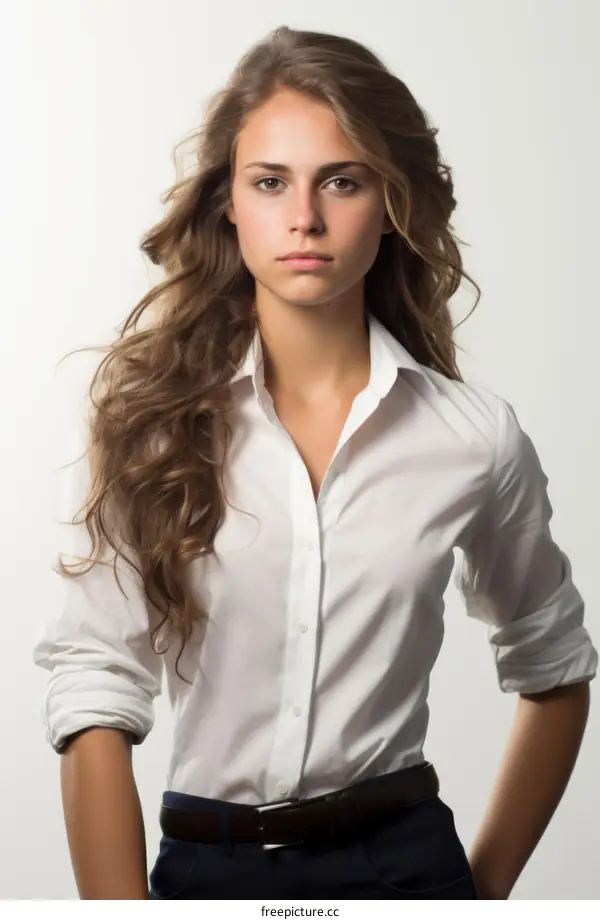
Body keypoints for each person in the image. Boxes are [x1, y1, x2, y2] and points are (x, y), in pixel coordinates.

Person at [33, 25, 597, 901]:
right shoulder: (146, 424)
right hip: (203, 871)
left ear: (392, 199)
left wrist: (479, 900)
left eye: (342, 180)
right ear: (228, 201)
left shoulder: (473, 437)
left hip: (405, 865)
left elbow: (556, 664)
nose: (305, 217)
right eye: (270, 182)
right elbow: (96, 684)